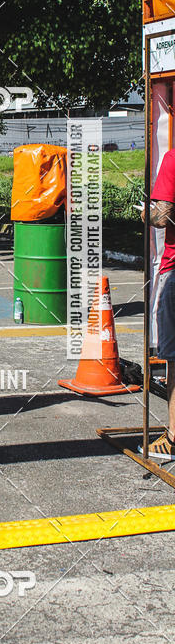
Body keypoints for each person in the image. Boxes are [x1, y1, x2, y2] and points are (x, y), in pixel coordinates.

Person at [142, 148, 175, 459]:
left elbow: (161, 215)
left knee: (174, 357)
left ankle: (174, 437)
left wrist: (146, 211)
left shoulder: (174, 159)